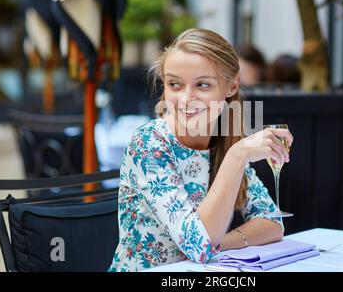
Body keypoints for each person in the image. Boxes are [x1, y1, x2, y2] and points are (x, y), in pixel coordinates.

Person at [108, 28, 293, 271]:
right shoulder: (150, 143)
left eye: (202, 85)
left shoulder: (224, 140)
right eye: (175, 84)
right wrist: (238, 155)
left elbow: (272, 223)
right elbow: (199, 245)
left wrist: (220, 244)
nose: (186, 98)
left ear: (232, 86)